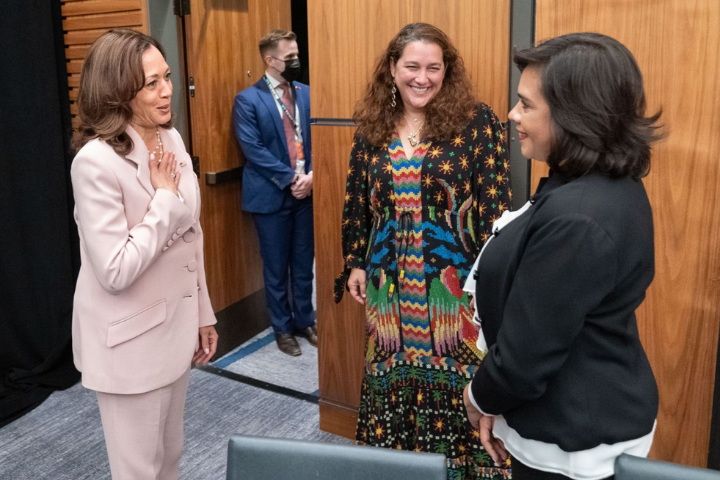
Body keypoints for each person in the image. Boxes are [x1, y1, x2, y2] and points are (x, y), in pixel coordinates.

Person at [463, 32, 662, 480]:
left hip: (572, 439)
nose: (512, 115)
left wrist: (478, 397)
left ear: (575, 115)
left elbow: (524, 360)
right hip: (572, 406)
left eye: (526, 104)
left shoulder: (580, 218)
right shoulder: (594, 184)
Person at [337, 23, 512, 480]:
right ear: (392, 70)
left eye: (433, 67)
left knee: (463, 382)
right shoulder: (371, 129)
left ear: (446, 71)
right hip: (387, 288)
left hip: (454, 290)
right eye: (412, 66)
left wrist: (491, 282)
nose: (422, 77)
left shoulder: (479, 124)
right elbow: (357, 201)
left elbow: (498, 212)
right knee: (389, 375)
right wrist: (355, 261)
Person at [70, 29, 218, 479]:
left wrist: (203, 312)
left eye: (167, 76)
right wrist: (165, 203)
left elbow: (192, 236)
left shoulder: (170, 139)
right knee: (138, 472)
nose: (168, 89)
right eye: (151, 82)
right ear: (118, 91)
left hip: (174, 331)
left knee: (168, 462)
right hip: (130, 346)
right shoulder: (95, 162)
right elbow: (115, 270)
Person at [232, 29, 316, 357]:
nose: (296, 61)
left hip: (306, 194)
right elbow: (252, 149)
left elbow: (320, 137)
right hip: (270, 196)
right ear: (270, 60)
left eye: (297, 55)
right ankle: (282, 328)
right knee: (276, 266)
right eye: (290, 57)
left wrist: (310, 177)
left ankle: (305, 320)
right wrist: (291, 178)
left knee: (303, 260)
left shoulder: (307, 93)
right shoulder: (248, 100)